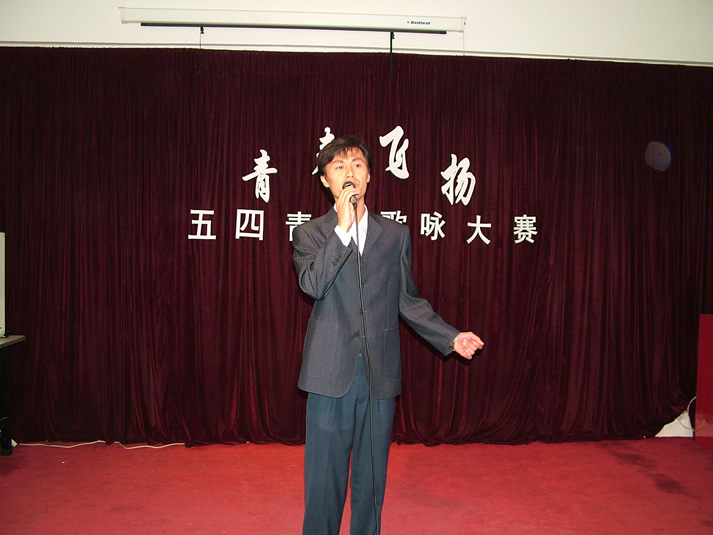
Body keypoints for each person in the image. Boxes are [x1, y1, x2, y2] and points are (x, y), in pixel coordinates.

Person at [292, 135, 484, 535]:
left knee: (372, 479)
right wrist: (342, 229)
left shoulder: (394, 235)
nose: (349, 173)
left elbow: (407, 300)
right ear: (325, 180)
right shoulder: (310, 234)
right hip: (329, 375)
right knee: (324, 481)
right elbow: (312, 285)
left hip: (379, 375)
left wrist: (450, 337)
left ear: (369, 176)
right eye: (339, 167)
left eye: (357, 165)